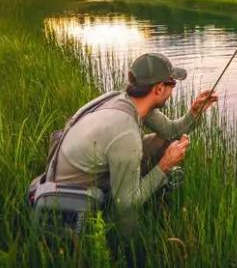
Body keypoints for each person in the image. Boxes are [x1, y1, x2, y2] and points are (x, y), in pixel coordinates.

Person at [53, 52, 218, 232]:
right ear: (159, 89)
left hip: (86, 173)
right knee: (128, 207)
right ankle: (128, 246)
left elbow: (171, 131)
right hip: (74, 199)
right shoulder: (125, 133)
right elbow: (124, 204)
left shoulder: (125, 100)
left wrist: (195, 112)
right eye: (172, 84)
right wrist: (165, 165)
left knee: (165, 141)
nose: (173, 90)